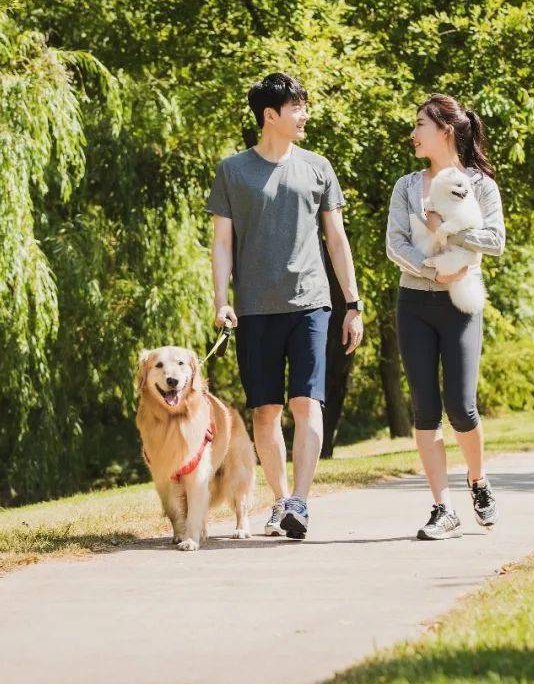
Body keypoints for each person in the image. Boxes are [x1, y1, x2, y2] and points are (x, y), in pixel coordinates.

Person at [207, 72, 363, 540]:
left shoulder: (318, 167)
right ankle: (279, 501)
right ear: (270, 115)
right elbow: (222, 243)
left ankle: (300, 500)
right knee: (265, 410)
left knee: (306, 402)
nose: (304, 115)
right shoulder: (233, 171)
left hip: (311, 303)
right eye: (297, 107)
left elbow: (336, 239)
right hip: (255, 309)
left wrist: (352, 303)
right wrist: (221, 300)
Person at [385, 93, 506, 540]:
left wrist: (448, 233)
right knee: (425, 407)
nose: (413, 133)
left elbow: (495, 240)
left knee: (461, 404)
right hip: (414, 304)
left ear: (445, 130)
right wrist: (434, 269)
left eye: (420, 124)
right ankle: (443, 508)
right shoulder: (405, 186)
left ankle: (478, 481)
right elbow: (394, 244)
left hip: (461, 305)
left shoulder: (480, 185)